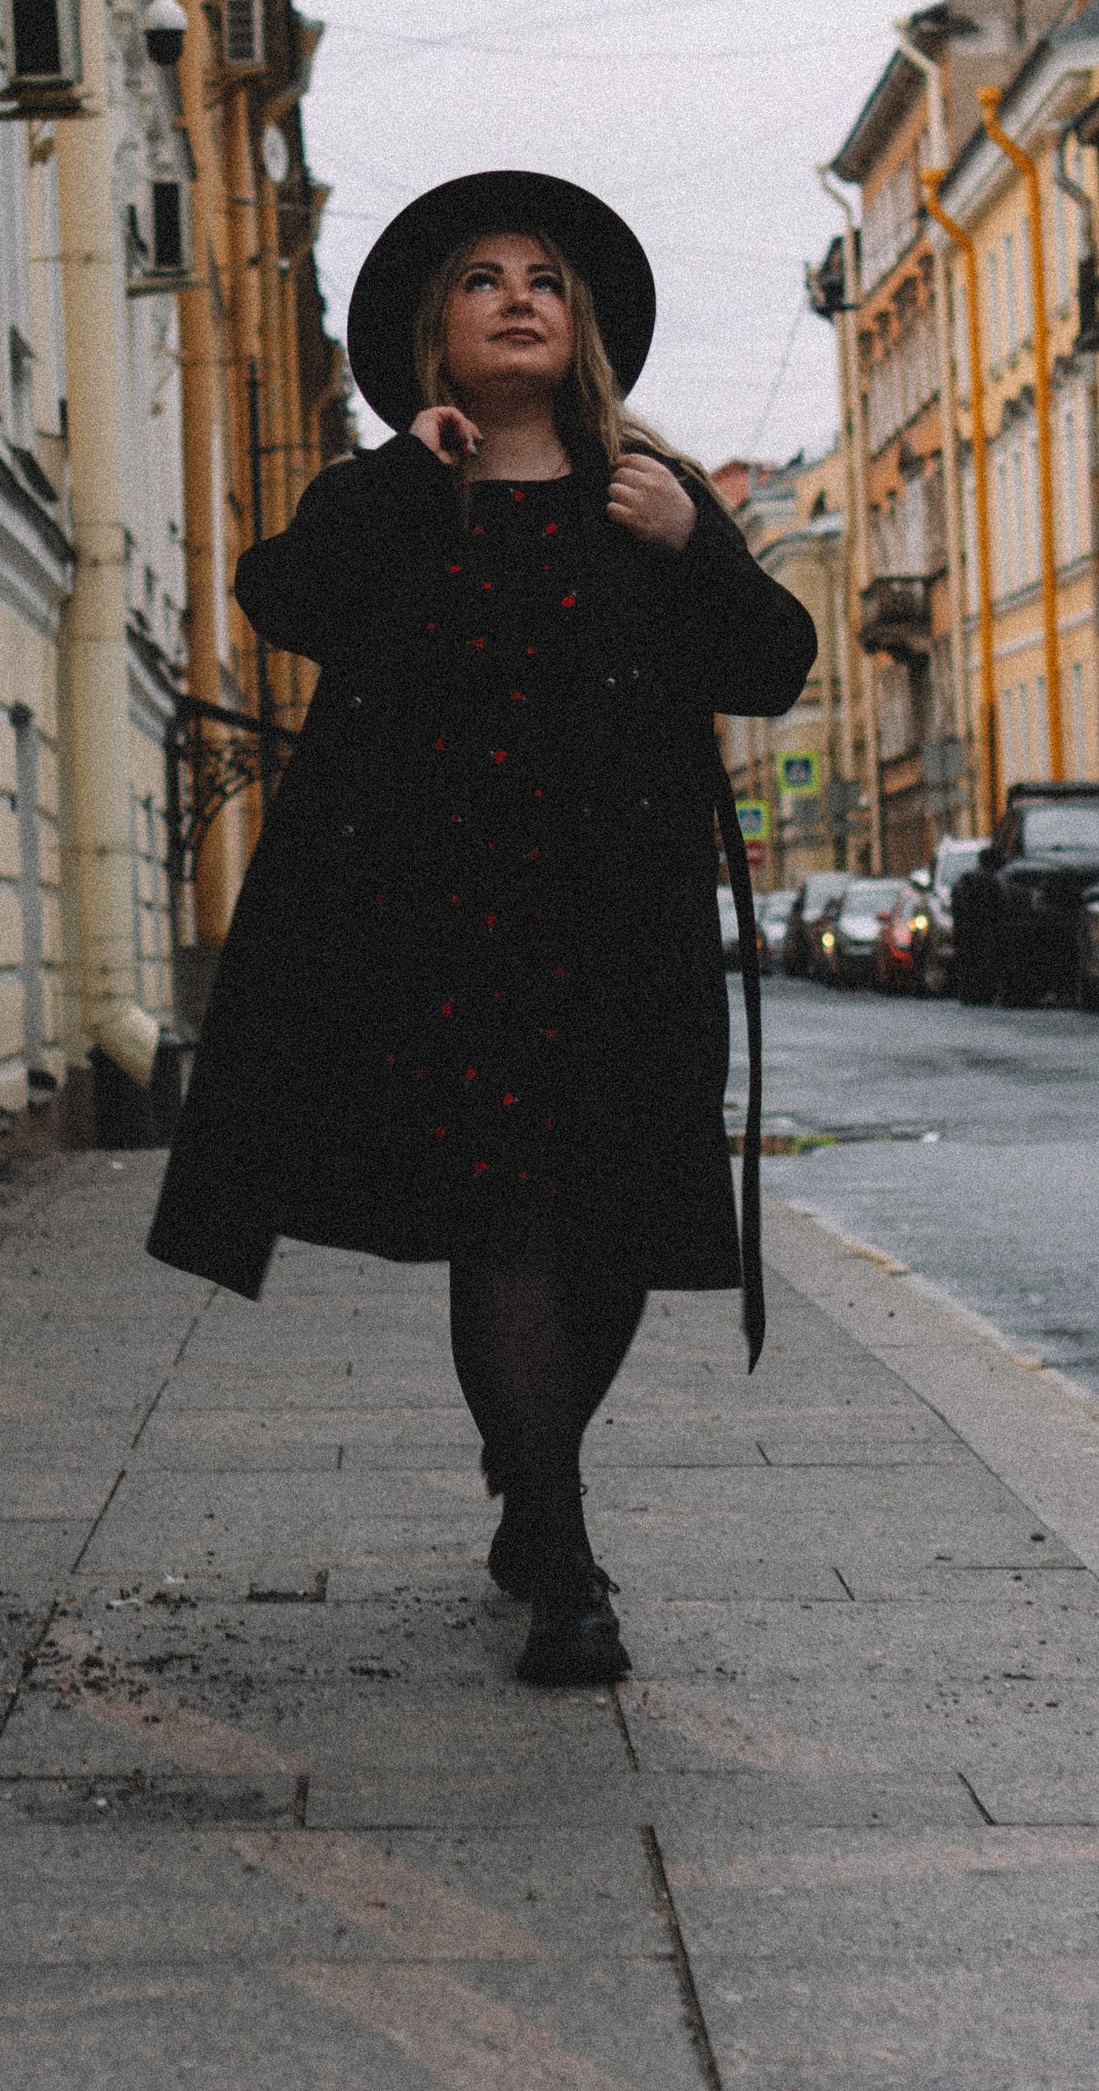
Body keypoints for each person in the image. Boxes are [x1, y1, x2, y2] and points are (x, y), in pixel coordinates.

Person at [149, 171, 817, 1687]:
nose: (519, 295)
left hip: (627, 925)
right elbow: (283, 601)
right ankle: (565, 1546)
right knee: (508, 1219)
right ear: (436, 331)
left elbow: (774, 668)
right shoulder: (393, 496)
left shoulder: (653, 494)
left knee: (626, 1233)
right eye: (482, 279)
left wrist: (694, 546)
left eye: (546, 280)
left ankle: (533, 1475)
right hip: (445, 928)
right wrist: (393, 472)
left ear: (579, 328)